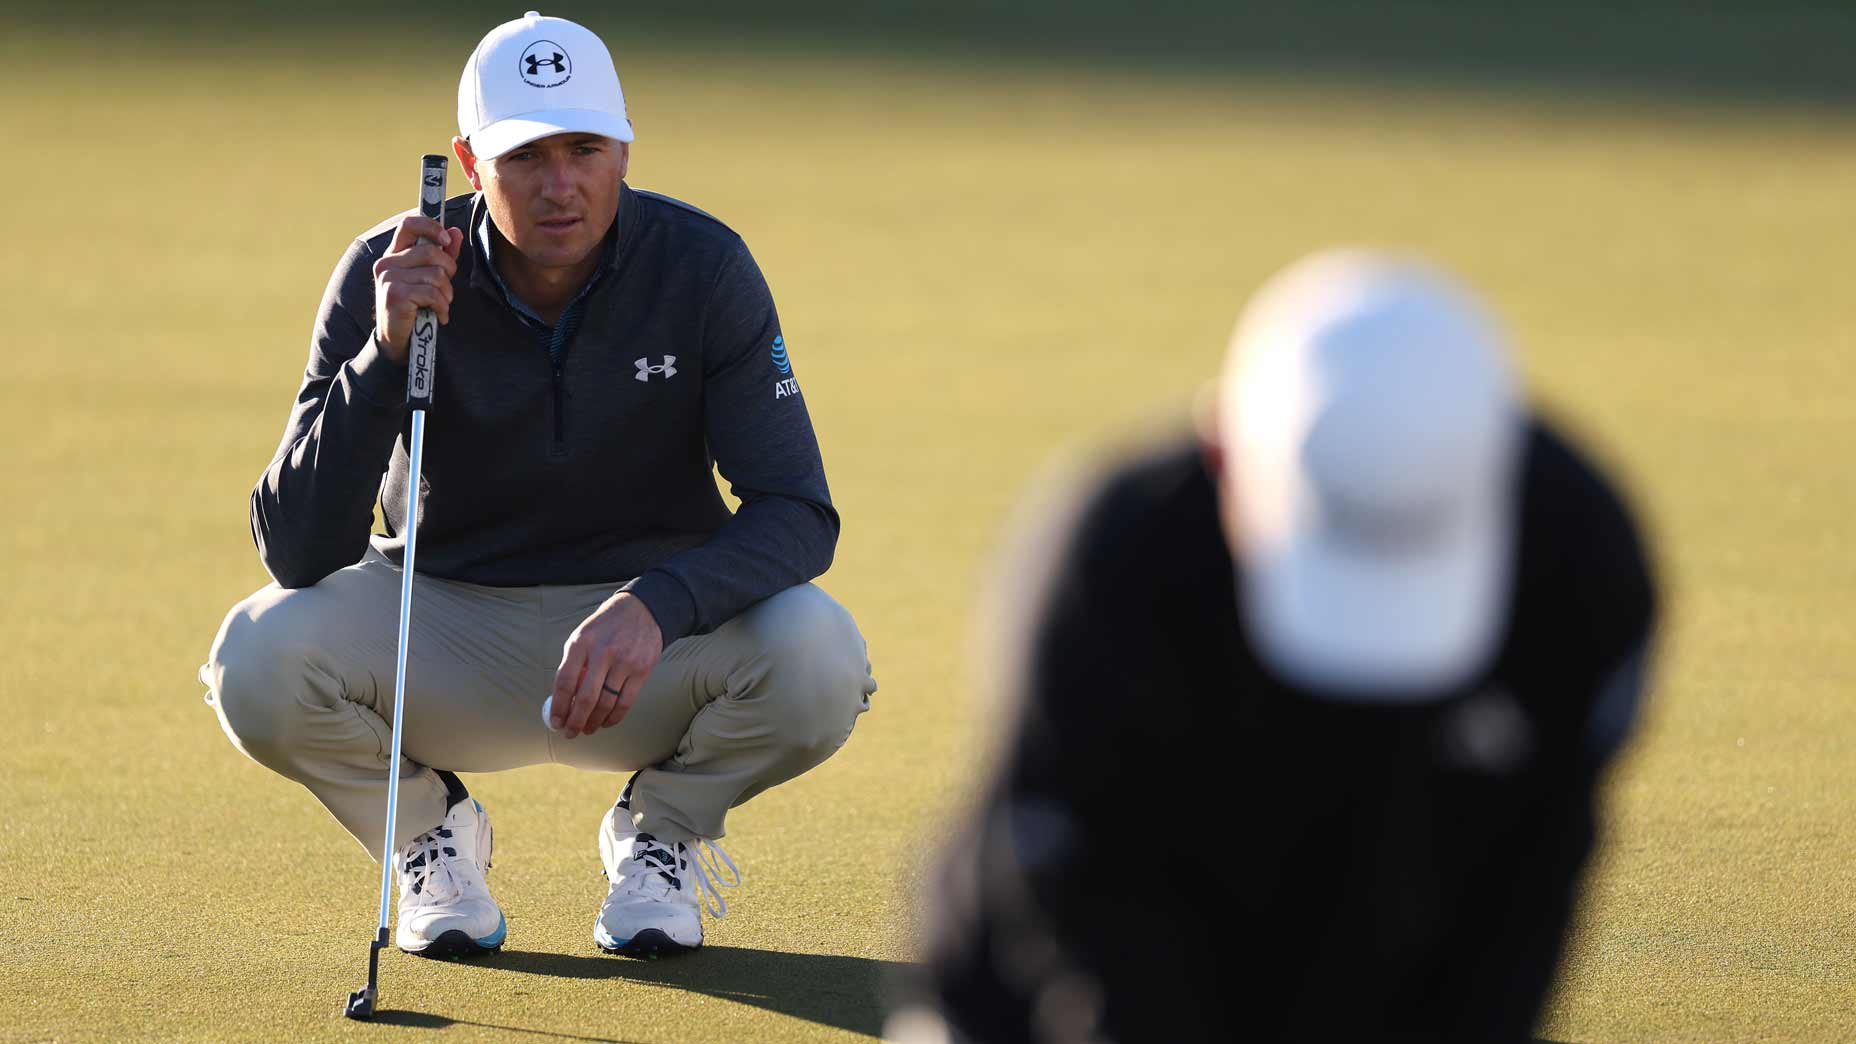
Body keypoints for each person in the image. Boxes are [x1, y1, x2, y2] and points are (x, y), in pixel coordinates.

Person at [199, 11, 875, 961]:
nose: (562, 186)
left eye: (585, 149)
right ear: (472, 165)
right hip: (440, 623)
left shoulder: (702, 266)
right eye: (526, 157)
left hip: (649, 649)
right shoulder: (389, 273)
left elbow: (797, 511)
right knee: (256, 659)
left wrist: (660, 603)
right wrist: (385, 353)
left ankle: (664, 832)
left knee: (821, 657)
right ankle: (429, 832)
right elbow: (298, 548)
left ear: (625, 149)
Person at [894, 251, 1658, 1042]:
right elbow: (1081, 892)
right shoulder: (1111, 565)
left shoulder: (1584, 571)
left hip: (1398, 940)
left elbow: (1528, 886)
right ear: (1224, 452)